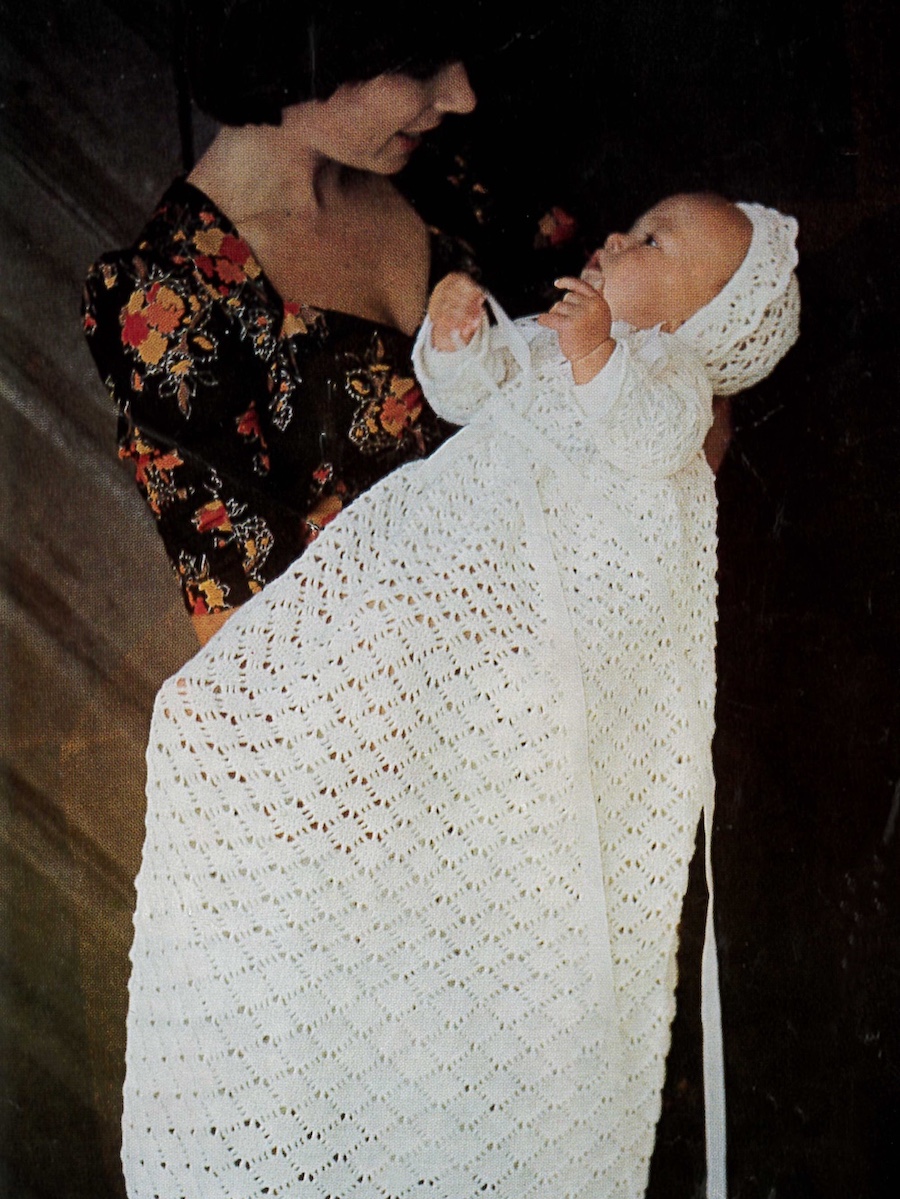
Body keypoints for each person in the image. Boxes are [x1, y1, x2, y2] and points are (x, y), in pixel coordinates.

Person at [123, 192, 799, 1197]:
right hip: (436, 559)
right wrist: (456, 339)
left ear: (701, 319)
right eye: (634, 224)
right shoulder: (559, 338)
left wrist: (598, 356)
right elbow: (470, 392)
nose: (618, 239)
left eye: (654, 244)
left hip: (524, 614)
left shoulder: (670, 377)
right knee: (225, 707)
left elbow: (655, 436)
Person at [82, 0, 500, 647]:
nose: (462, 96)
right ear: (304, 51)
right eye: (420, 68)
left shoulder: (435, 163)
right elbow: (256, 650)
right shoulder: (169, 304)